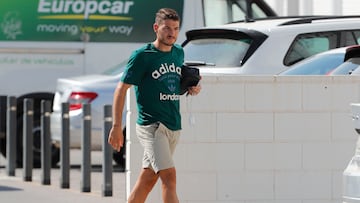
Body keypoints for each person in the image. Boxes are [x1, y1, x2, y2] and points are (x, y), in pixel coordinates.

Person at [108, 8, 201, 203]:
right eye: (167, 28)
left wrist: (190, 88)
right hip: (152, 126)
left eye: (176, 28)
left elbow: (170, 84)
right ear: (156, 28)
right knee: (169, 177)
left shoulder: (178, 52)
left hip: (173, 125)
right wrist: (117, 127)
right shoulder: (142, 55)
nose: (172, 33)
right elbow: (120, 89)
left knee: (148, 179)